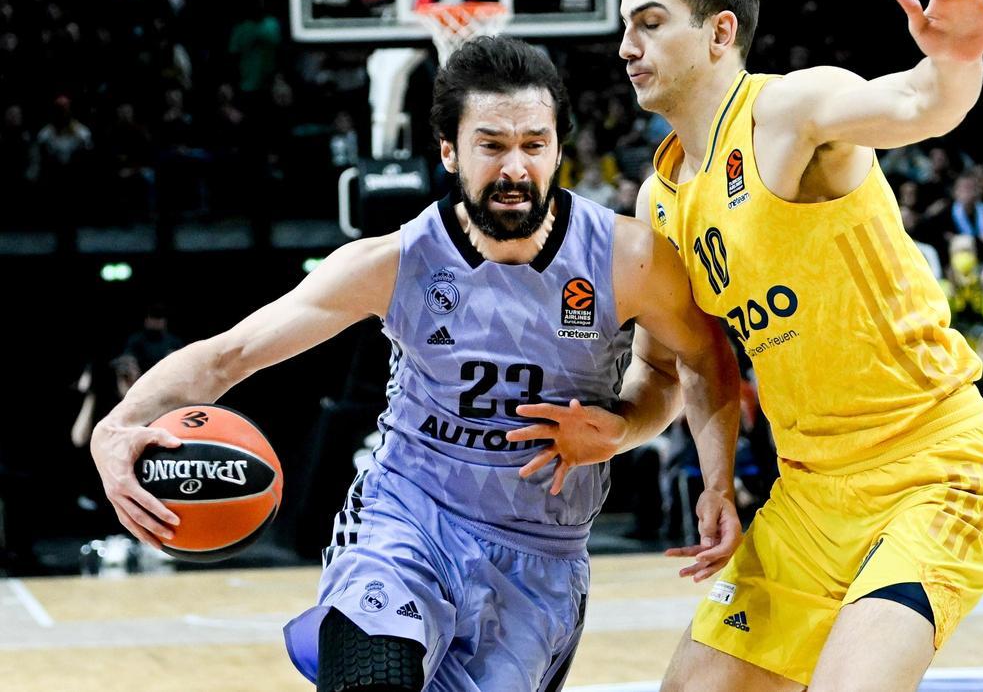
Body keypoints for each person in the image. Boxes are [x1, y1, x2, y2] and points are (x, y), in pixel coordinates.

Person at [89, 36, 742, 692]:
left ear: (558, 151)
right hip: (408, 520)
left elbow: (696, 365)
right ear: (450, 151)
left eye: (534, 145)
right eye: (491, 145)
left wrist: (627, 430)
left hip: (540, 557)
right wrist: (115, 427)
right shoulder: (397, 262)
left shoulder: (625, 258)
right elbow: (230, 354)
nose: (515, 168)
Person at [524, 0, 983, 691]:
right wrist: (667, 456)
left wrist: (955, 60)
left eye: (651, 22)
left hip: (933, 467)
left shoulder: (790, 110)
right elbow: (673, 364)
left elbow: (919, 103)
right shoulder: (661, 201)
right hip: (809, 494)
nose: (627, 47)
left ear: (721, 32)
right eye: (625, 27)